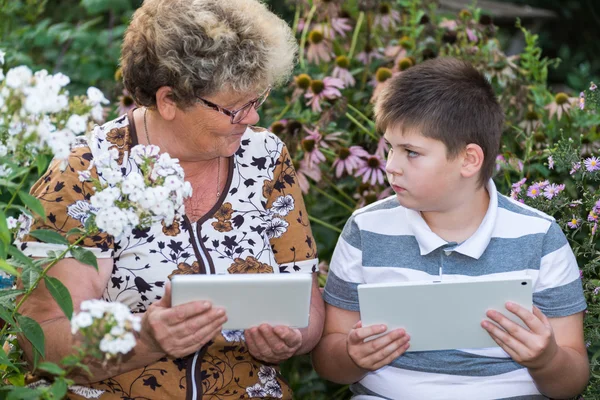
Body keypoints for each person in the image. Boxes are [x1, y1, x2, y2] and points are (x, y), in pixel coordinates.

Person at [17, 0, 324, 398]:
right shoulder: (88, 172)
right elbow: (41, 340)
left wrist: (293, 336)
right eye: (234, 108)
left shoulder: (265, 158)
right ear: (168, 100)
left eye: (257, 99)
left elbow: (308, 303)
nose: (251, 119)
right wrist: (143, 338)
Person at [312, 57, 589, 399]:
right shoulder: (366, 230)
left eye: (411, 152)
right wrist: (352, 355)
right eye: (389, 148)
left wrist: (546, 359)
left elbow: (573, 381)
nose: (391, 167)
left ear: (469, 160)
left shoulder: (538, 237)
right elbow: (328, 361)